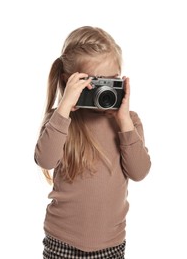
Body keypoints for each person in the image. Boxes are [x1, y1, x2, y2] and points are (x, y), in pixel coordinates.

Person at [34, 26, 151, 259]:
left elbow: (139, 172)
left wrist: (124, 123)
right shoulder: (61, 121)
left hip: (111, 245)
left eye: (112, 81)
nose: (104, 91)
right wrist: (65, 108)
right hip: (61, 242)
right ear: (71, 81)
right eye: (95, 82)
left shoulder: (129, 122)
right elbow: (45, 159)